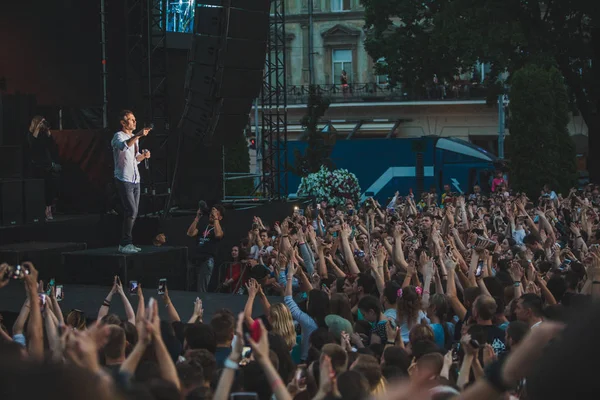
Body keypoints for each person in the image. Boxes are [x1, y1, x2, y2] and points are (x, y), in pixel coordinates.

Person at [110, 110, 152, 254]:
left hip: (135, 180)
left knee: (133, 212)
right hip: (124, 179)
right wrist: (138, 135)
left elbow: (134, 159)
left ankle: (128, 242)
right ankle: (124, 243)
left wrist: (144, 156)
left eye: (134, 119)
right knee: (131, 210)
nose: (134, 122)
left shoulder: (135, 139)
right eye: (131, 119)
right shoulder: (118, 136)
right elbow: (123, 146)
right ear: (123, 122)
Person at [25, 115, 61, 220]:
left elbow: (53, 147)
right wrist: (37, 128)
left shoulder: (44, 135)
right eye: (41, 122)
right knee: (39, 189)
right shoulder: (30, 135)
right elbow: (32, 145)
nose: (43, 124)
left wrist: (48, 132)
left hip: (47, 165)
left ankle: (48, 210)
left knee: (50, 188)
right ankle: (39, 211)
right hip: (36, 167)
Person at [187, 204, 225, 292]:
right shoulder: (203, 226)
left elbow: (218, 235)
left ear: (220, 217)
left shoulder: (220, 228)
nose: (212, 215)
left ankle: (201, 305)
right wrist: (197, 218)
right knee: (189, 286)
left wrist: (215, 218)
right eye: (211, 214)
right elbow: (190, 233)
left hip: (207, 260)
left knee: (201, 288)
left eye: (215, 214)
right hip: (195, 259)